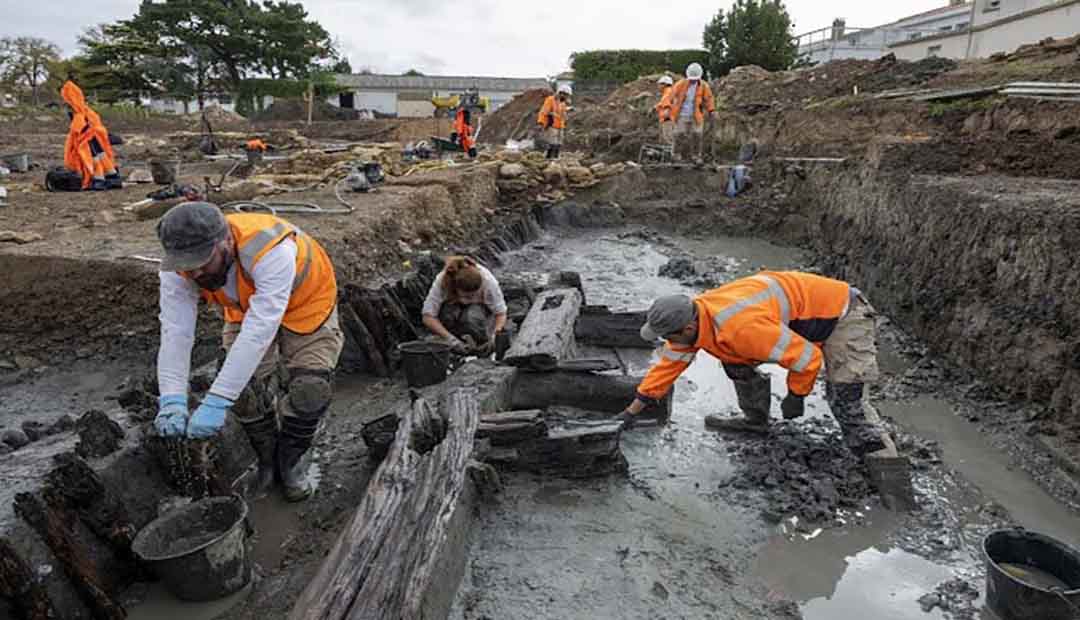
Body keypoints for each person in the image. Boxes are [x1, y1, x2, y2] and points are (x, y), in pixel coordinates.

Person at [153, 202, 343, 502]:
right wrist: (172, 398)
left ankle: (289, 461)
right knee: (245, 394)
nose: (196, 272)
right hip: (245, 308)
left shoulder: (270, 250)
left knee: (311, 390)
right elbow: (176, 333)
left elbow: (261, 328)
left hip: (307, 302)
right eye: (187, 265)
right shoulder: (178, 269)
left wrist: (216, 400)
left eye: (204, 260)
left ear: (226, 239)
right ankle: (267, 460)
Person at [619, 271, 895, 461]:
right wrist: (632, 411)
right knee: (735, 361)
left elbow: (808, 358)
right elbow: (667, 369)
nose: (667, 342)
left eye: (668, 336)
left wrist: (795, 397)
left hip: (843, 314)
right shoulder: (695, 318)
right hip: (794, 317)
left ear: (688, 327)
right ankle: (755, 421)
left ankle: (885, 469)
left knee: (847, 398)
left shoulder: (739, 327)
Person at [422, 256, 508, 354]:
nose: (466, 301)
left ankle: (479, 342)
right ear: (455, 287)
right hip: (453, 306)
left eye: (472, 296)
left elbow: (501, 313)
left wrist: (495, 336)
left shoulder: (488, 281)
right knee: (448, 315)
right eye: (466, 297)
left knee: (471, 317)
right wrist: (451, 340)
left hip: (479, 311)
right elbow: (428, 316)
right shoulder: (443, 281)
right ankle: (457, 341)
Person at [60, 80, 120, 191]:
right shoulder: (85, 110)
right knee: (101, 155)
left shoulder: (79, 113)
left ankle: (99, 180)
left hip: (88, 138)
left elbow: (79, 129)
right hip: (96, 137)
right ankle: (113, 177)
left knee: (94, 157)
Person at [668, 63, 716, 163]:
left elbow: (709, 99)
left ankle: (696, 156)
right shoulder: (681, 84)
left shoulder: (703, 86)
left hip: (696, 115)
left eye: (695, 79)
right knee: (678, 134)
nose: (693, 80)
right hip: (681, 115)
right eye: (691, 78)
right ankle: (676, 156)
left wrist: (711, 110)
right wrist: (666, 107)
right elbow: (671, 95)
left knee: (697, 134)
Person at [537, 84, 571, 159]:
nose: (566, 97)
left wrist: (565, 115)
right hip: (552, 124)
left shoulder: (562, 103)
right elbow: (545, 111)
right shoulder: (550, 100)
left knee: (559, 142)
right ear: (561, 93)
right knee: (553, 142)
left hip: (560, 126)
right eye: (565, 95)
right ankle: (549, 158)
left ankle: (555, 157)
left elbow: (563, 113)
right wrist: (554, 114)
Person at [654, 75, 675, 149]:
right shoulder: (668, 92)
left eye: (660, 84)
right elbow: (662, 104)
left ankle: (674, 155)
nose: (658, 86)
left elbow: (667, 105)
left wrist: (666, 113)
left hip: (668, 119)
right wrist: (657, 107)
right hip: (668, 119)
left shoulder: (668, 93)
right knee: (668, 137)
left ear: (664, 84)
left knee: (668, 137)